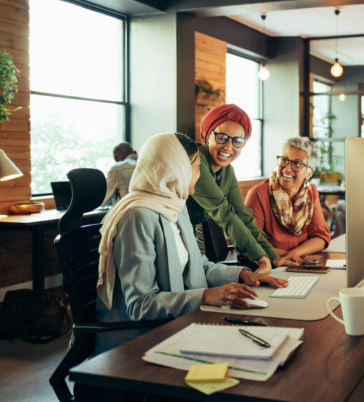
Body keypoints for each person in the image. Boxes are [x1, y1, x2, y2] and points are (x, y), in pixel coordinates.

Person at [96, 132, 286, 353]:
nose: (200, 173)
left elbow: (199, 265)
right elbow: (141, 305)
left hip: (182, 323)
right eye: (196, 166)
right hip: (144, 340)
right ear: (177, 169)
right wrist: (206, 295)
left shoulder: (175, 204)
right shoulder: (138, 216)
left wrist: (242, 274)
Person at [187, 104, 300, 274]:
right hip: (171, 238)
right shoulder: (197, 163)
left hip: (194, 244)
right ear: (208, 135)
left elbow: (243, 216)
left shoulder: (226, 171)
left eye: (237, 141)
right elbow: (225, 214)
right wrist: (260, 258)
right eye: (221, 138)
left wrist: (272, 256)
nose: (228, 147)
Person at [245, 137, 330, 262]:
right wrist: (288, 257)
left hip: (300, 262)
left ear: (309, 173)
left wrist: (293, 255)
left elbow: (321, 237)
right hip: (270, 264)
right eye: (284, 160)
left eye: (297, 164)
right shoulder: (258, 194)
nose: (287, 169)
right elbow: (251, 243)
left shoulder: (310, 192)